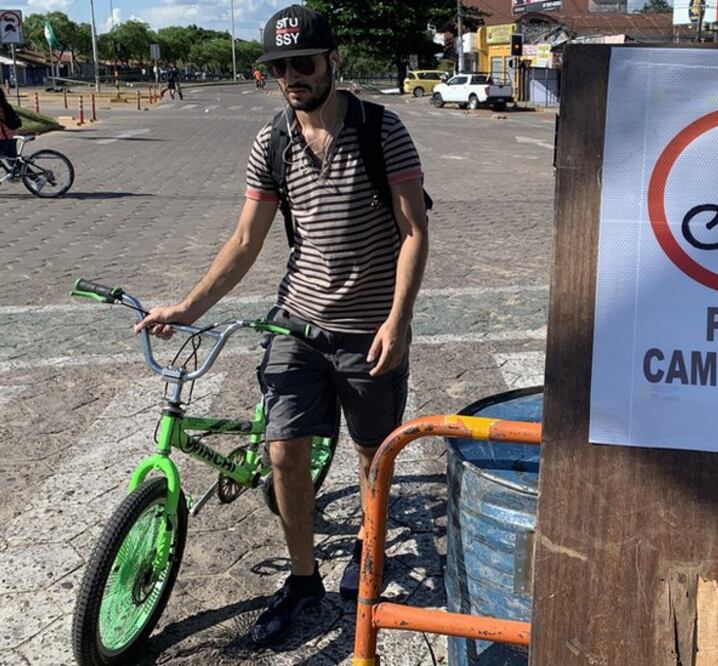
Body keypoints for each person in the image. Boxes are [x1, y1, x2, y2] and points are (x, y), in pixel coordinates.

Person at [135, 4, 429, 646]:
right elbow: (245, 240)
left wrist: (399, 320)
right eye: (279, 67)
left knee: (371, 455)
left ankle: (369, 544)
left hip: (369, 330)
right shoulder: (273, 140)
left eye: (304, 63)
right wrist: (187, 309)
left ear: (332, 62)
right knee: (282, 452)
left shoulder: (382, 131)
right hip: (296, 323)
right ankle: (302, 578)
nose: (292, 76)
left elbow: (413, 231)